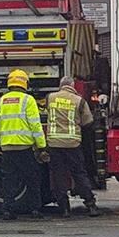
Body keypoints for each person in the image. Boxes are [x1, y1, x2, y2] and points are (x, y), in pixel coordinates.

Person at [0, 69, 47, 220]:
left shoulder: (1, 101)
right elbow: (35, 125)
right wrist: (41, 146)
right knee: (32, 178)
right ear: (25, 83)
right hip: (24, 147)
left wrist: (1, 143)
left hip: (7, 148)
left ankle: (8, 210)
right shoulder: (28, 100)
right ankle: (35, 209)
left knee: (9, 180)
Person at [44, 77, 101, 217]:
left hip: (54, 143)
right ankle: (90, 204)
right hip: (72, 143)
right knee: (79, 174)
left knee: (58, 176)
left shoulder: (50, 98)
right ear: (72, 86)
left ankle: (64, 209)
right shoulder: (79, 101)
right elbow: (88, 121)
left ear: (60, 85)